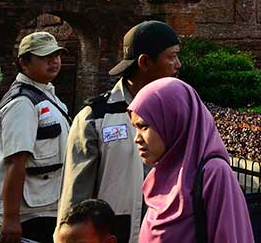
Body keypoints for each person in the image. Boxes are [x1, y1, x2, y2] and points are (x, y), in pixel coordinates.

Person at [57, 21, 182, 243]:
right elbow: (75, 198)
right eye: (171, 56)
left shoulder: (180, 113)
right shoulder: (96, 118)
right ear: (145, 62)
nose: (178, 64)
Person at [127, 77, 253, 242]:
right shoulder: (161, 175)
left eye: (144, 127)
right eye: (135, 127)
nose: (137, 138)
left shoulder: (214, 173)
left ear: (174, 119)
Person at [0, 32, 72, 243]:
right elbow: (15, 162)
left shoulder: (45, 94)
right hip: (32, 212)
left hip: (48, 204)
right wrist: (11, 218)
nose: (54, 61)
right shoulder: (22, 103)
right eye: (45, 57)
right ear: (24, 63)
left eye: (57, 55)